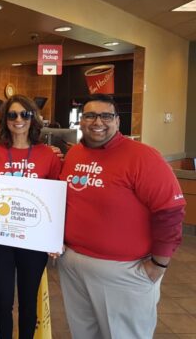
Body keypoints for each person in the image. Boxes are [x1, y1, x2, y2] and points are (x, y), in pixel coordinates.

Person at [58, 94, 186, 339]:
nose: (98, 122)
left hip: (124, 271)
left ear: (117, 121)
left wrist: (159, 263)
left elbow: (169, 211)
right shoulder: (74, 155)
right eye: (90, 115)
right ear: (81, 121)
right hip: (73, 264)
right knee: (83, 333)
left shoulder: (143, 156)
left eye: (106, 116)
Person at [0, 95, 62, 339]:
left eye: (24, 114)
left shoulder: (47, 154)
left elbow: (56, 200)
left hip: (34, 241)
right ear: (5, 120)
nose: (19, 120)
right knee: (3, 301)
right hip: (0, 240)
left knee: (28, 302)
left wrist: (55, 238)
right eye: (12, 115)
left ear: (33, 119)